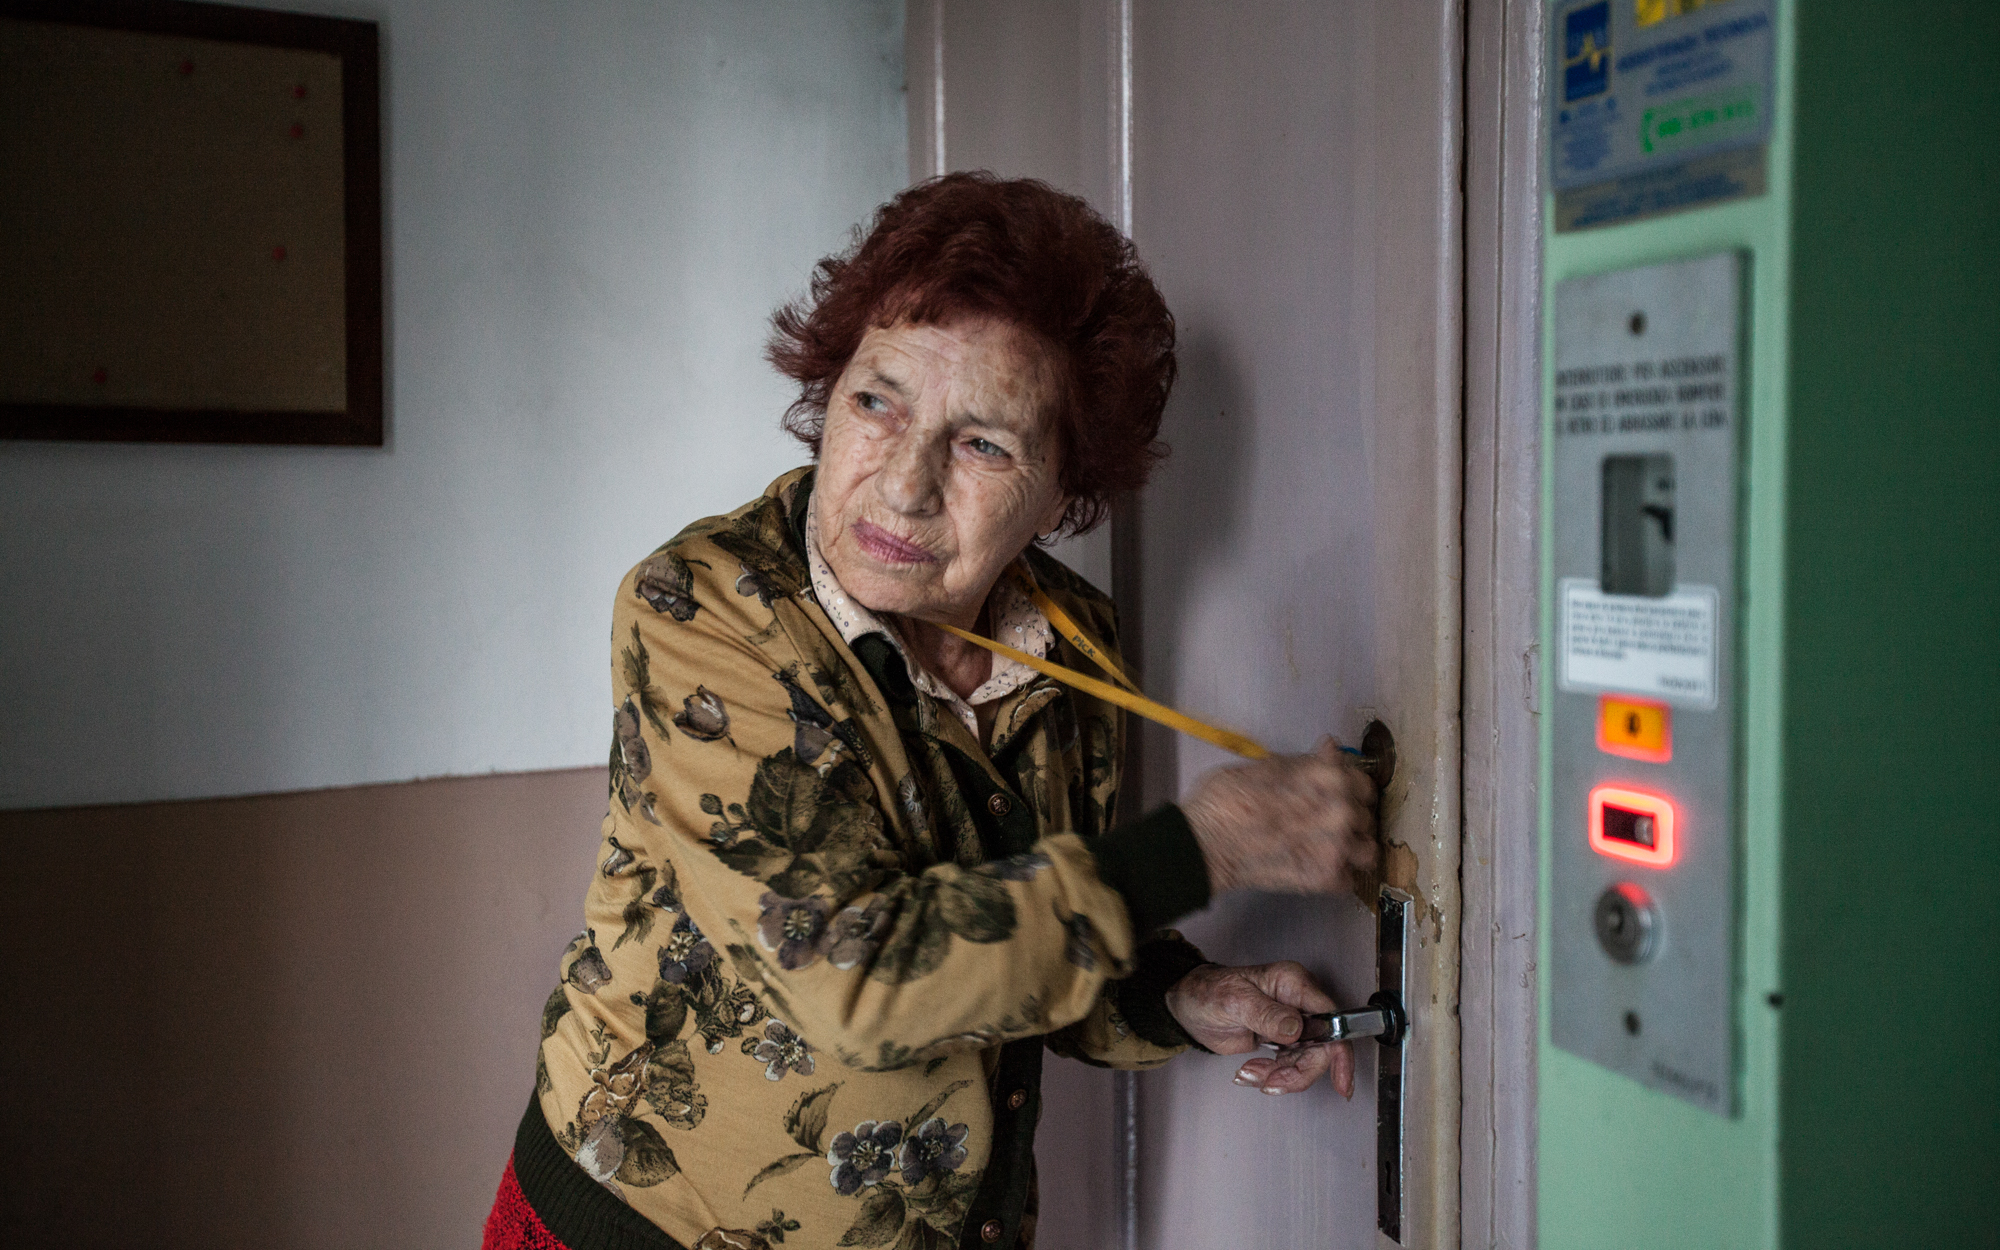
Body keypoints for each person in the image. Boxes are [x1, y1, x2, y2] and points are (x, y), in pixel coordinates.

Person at [483, 173, 1379, 1250]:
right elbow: (855, 975)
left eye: (982, 445)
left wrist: (1183, 997)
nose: (903, 484)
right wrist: (1209, 845)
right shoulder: (697, 612)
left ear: (1061, 491)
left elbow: (1025, 931)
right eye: (876, 402)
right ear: (829, 391)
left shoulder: (1069, 643)